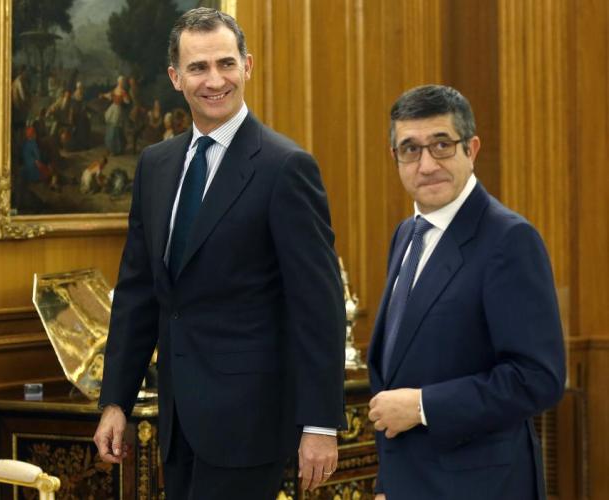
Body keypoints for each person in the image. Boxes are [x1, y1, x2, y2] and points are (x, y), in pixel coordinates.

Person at [93, 7, 346, 499]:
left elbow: (319, 305)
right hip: (177, 425)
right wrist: (116, 401)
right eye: (198, 67)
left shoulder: (285, 167)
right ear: (175, 78)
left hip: (251, 426)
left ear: (247, 66)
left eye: (226, 63)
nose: (215, 80)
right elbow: (138, 292)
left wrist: (320, 423)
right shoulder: (155, 165)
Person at [366, 84, 566, 500]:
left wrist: (423, 406)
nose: (426, 165)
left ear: (471, 149)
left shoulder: (509, 239)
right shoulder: (406, 235)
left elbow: (538, 378)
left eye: (441, 145)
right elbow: (397, 369)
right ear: (395, 157)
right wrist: (388, 485)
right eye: (410, 149)